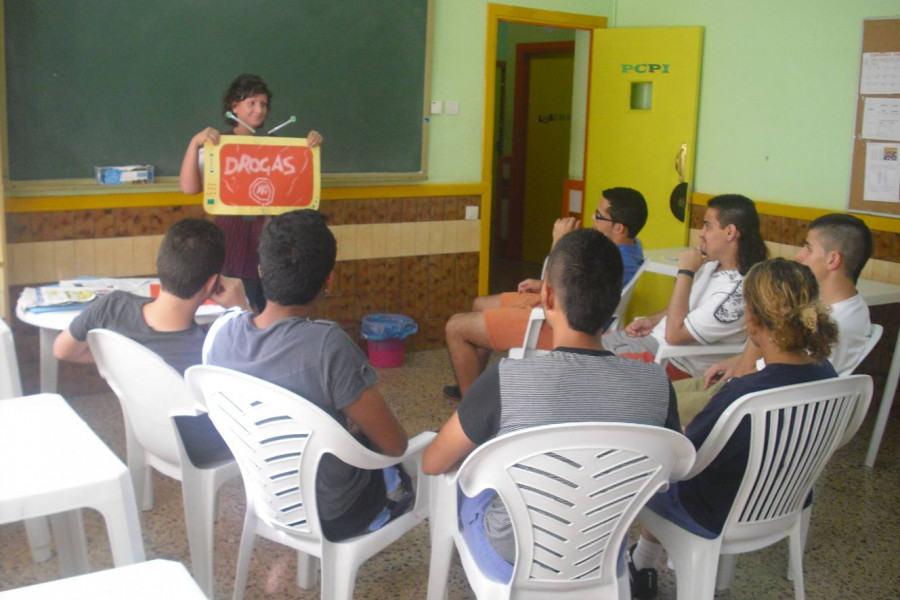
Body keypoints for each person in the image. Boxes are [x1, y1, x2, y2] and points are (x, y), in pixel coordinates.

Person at [424, 228, 680, 582]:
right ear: (613, 302)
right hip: (603, 552)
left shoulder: (506, 380)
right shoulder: (656, 385)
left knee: (464, 484)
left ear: (546, 296)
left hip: (511, 557)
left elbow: (433, 462)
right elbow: (674, 470)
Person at [627, 258, 839, 599]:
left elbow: (687, 460)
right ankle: (643, 561)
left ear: (752, 318)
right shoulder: (827, 375)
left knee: (647, 465)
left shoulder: (744, 395)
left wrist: (673, 430)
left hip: (715, 509)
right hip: (783, 500)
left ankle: (634, 565)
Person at [202, 209, 411, 541]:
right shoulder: (328, 346)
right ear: (329, 280)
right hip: (335, 512)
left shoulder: (221, 334)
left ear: (260, 272)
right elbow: (394, 444)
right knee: (409, 462)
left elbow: (260, 341)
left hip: (265, 495)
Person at [443, 186, 649, 399]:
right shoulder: (629, 248)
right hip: (559, 302)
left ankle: (468, 406)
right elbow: (575, 285)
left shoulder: (610, 260)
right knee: (479, 304)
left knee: (455, 327)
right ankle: (471, 381)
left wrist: (558, 242)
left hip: (559, 322)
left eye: (599, 215)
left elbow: (556, 297)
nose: (591, 217)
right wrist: (543, 283)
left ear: (619, 228)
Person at [675, 213, 874, 424]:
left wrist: (758, 319)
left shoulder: (833, 323)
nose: (799, 256)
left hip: (752, 407)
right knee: (659, 391)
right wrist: (737, 360)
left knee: (649, 404)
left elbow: (759, 374)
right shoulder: (845, 307)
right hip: (746, 387)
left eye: (808, 248)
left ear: (833, 259)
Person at [179, 74, 323, 312]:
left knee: (268, 313)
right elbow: (189, 187)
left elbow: (295, 187)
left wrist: (309, 148)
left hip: (269, 249)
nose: (259, 110)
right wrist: (195, 143)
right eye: (251, 103)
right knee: (235, 313)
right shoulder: (220, 144)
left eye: (263, 104)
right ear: (234, 107)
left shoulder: (277, 146)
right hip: (231, 248)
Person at [602, 194, 768, 380]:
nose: (701, 233)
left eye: (707, 225)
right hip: (650, 343)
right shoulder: (713, 265)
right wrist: (653, 320)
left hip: (671, 362)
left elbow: (674, 335)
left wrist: (685, 273)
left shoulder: (736, 296)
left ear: (730, 232)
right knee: (578, 351)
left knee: (586, 365)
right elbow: (689, 308)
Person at [53, 218, 249, 375]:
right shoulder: (211, 348)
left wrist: (121, 358)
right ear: (211, 283)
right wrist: (242, 308)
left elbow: (62, 350)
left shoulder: (112, 306)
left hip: (140, 425)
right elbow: (257, 373)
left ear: (161, 263)